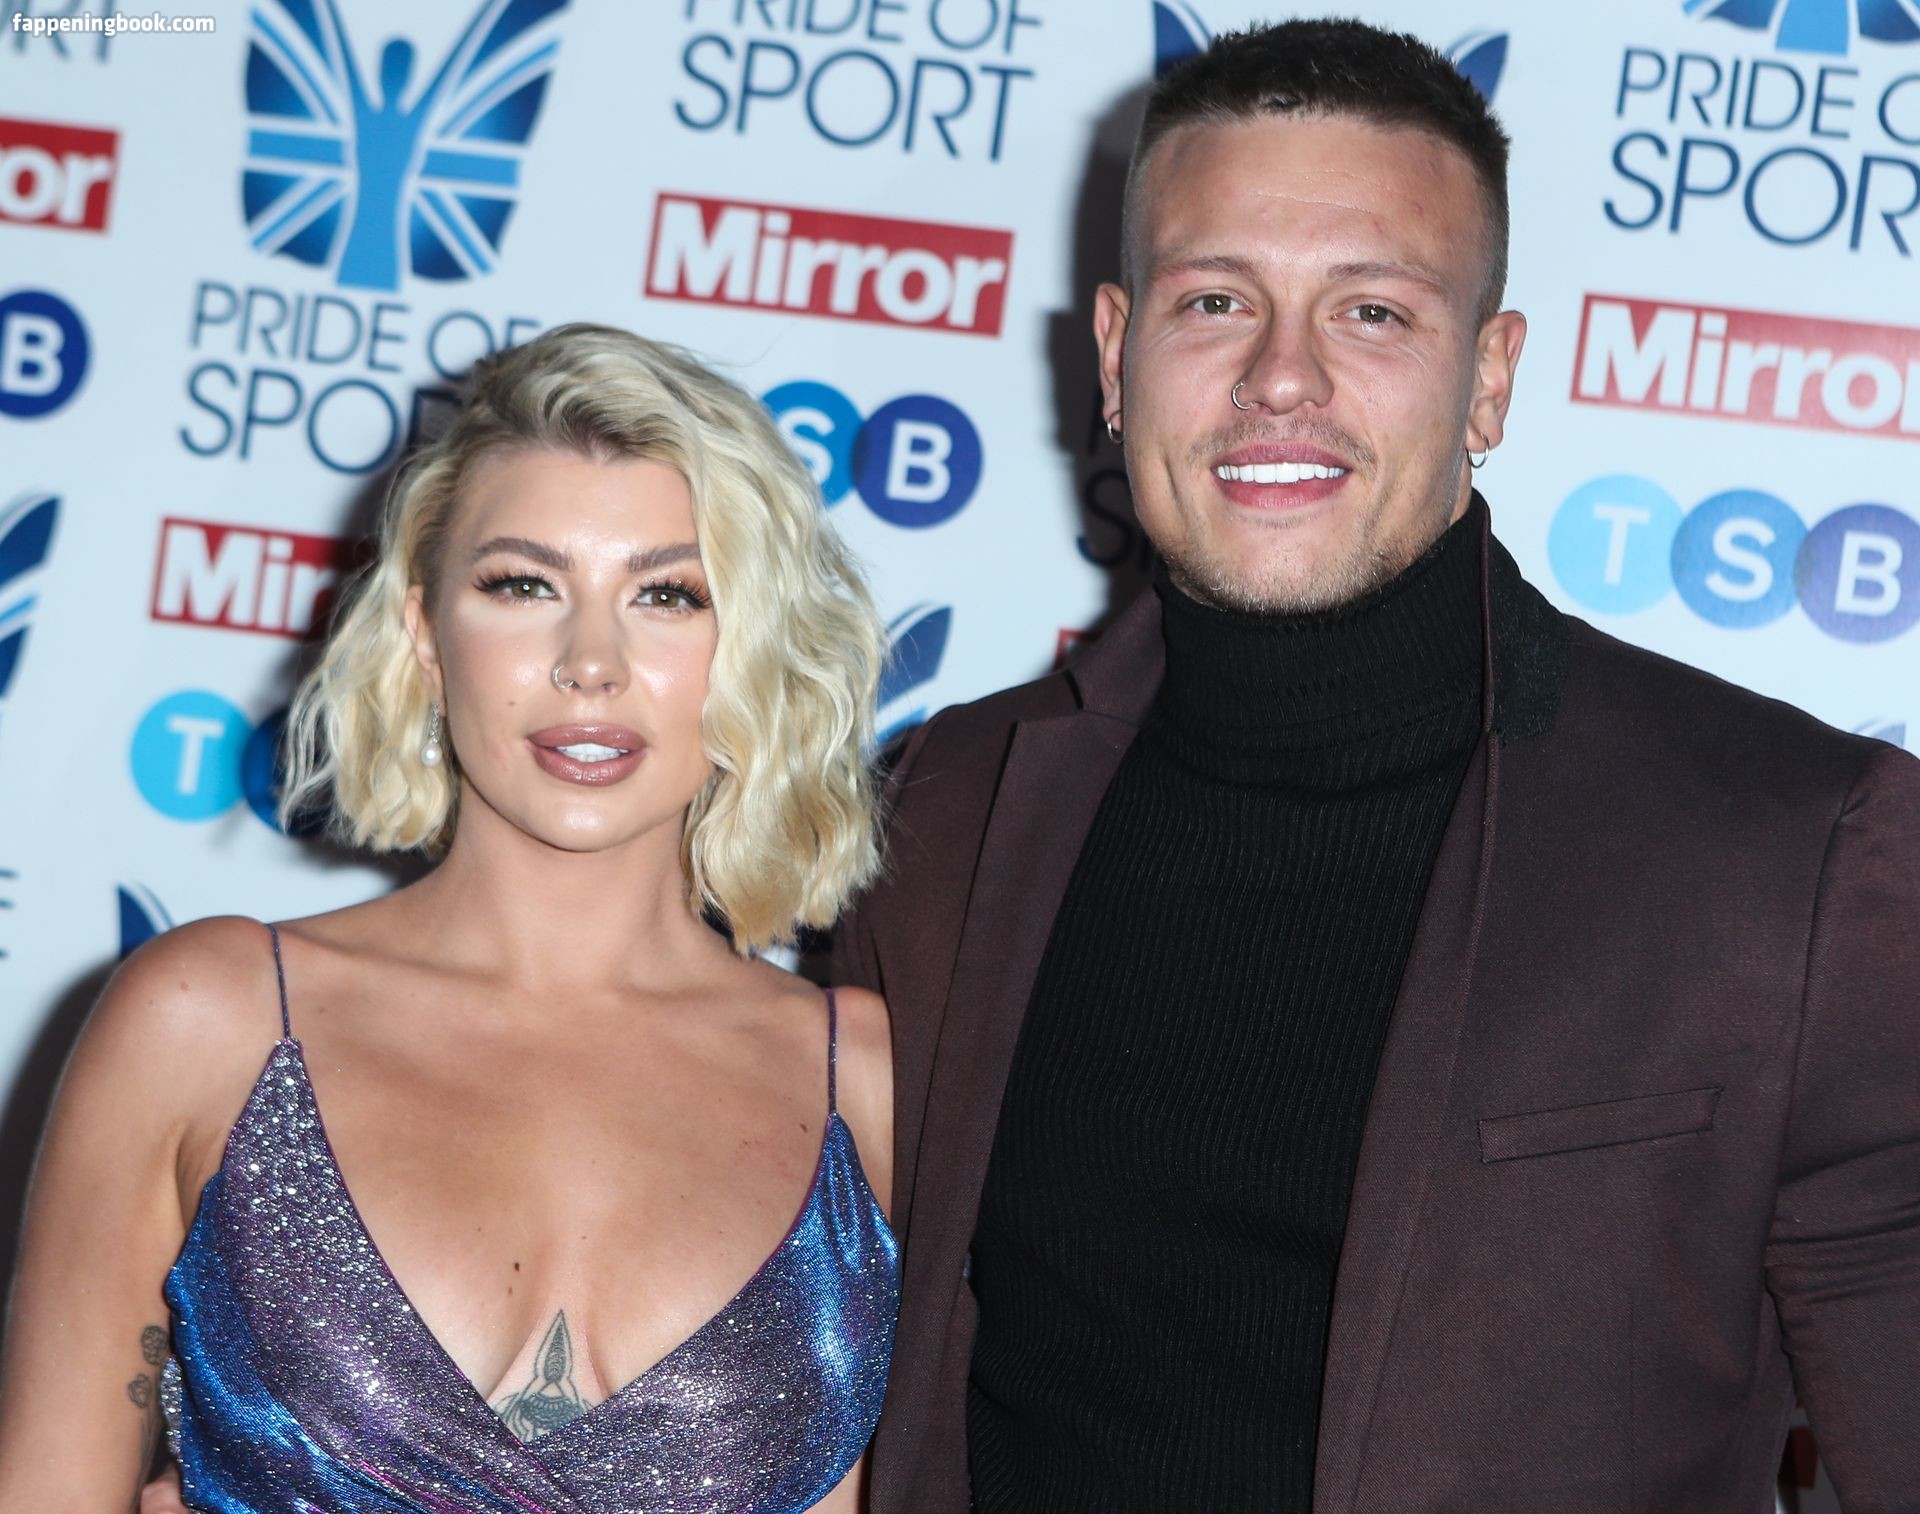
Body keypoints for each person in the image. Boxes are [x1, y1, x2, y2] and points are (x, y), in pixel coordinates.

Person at [832, 19, 1920, 1514]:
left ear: (1488, 379)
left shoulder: (1792, 850)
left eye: (1372, 312)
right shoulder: (950, 805)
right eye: (1217, 300)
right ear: (1116, 355)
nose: (1282, 378)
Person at [0, 323, 899, 1513]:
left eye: (669, 593)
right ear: (425, 633)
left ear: (751, 649)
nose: (590, 661)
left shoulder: (870, 1080)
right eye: (523, 585)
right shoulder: (207, 1020)